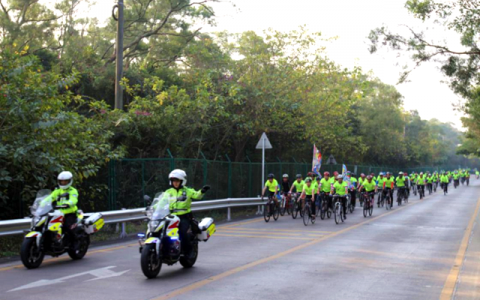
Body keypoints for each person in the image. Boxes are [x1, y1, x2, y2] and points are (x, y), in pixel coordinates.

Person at [166, 169, 210, 254]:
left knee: (182, 232)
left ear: (182, 181)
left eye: (177, 180)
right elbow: (161, 202)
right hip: (171, 217)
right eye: (173, 180)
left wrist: (202, 191)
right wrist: (152, 208)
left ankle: (188, 251)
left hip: (184, 216)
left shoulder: (187, 191)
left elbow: (197, 195)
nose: (175, 182)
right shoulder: (168, 192)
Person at [50, 171, 79, 247]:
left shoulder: (73, 191)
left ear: (69, 181)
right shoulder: (57, 191)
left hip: (69, 213)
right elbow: (49, 198)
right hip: (58, 213)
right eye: (61, 181)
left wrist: (68, 204)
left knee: (68, 227)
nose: (63, 182)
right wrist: (41, 203)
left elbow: (73, 199)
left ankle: (75, 242)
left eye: (65, 181)